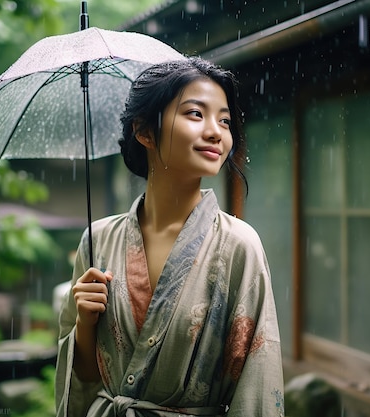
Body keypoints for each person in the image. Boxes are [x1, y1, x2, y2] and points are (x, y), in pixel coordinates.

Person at [55, 56, 285, 417]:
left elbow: (257, 378)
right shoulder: (98, 240)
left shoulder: (239, 244)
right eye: (196, 114)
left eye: (224, 120)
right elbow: (84, 379)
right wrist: (85, 321)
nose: (216, 132)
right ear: (145, 132)